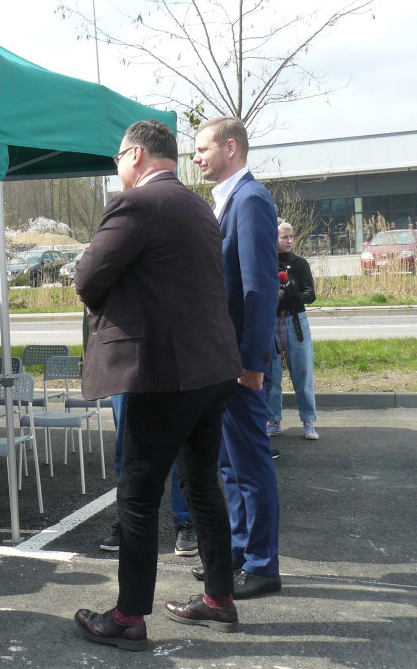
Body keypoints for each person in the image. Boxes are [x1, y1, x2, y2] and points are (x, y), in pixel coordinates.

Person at [73, 119, 243, 651]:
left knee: (139, 495)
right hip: (212, 369)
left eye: (119, 156)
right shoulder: (198, 205)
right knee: (203, 485)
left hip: (162, 374)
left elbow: (86, 278)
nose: (117, 166)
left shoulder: (136, 206)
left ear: (138, 155)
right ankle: (219, 598)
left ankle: (127, 616)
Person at [193, 116, 282, 599]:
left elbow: (258, 288)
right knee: (229, 464)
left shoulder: (249, 200)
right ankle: (239, 551)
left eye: (203, 148)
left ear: (231, 147)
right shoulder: (226, 200)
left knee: (249, 463)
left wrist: (253, 362)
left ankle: (264, 565)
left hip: (239, 362)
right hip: (221, 360)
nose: (196, 156)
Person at [100, 392, 198, 557]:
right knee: (126, 448)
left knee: (180, 446)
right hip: (127, 372)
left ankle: (185, 521)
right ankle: (127, 520)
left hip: (173, 371)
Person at [266, 221, 319, 440]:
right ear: (274, 239)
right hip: (272, 322)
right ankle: (274, 420)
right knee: (272, 373)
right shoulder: (266, 262)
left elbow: (311, 294)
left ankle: (308, 421)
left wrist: (293, 296)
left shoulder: (300, 264)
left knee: (303, 371)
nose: (289, 241)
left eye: (291, 237)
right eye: (284, 237)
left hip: (296, 321)